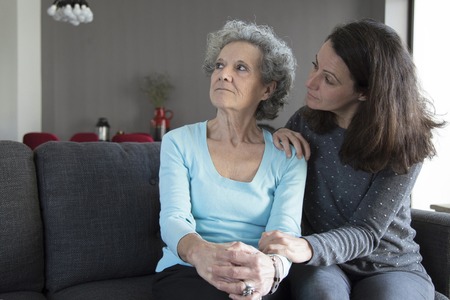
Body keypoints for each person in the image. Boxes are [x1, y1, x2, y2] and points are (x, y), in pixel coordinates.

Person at [259, 18, 446, 300]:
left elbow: (367, 232)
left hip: (389, 265)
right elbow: (273, 181)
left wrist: (305, 247)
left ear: (365, 91)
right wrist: (272, 136)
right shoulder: (304, 123)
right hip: (322, 262)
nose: (311, 82)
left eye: (329, 79)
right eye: (315, 66)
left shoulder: (404, 144)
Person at [152, 19, 307, 300]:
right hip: (188, 268)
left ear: (267, 89)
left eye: (241, 68)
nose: (223, 75)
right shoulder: (179, 142)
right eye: (220, 65)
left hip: (257, 271)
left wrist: (270, 271)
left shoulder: (288, 155)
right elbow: (174, 218)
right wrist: (202, 254)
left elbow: (284, 232)